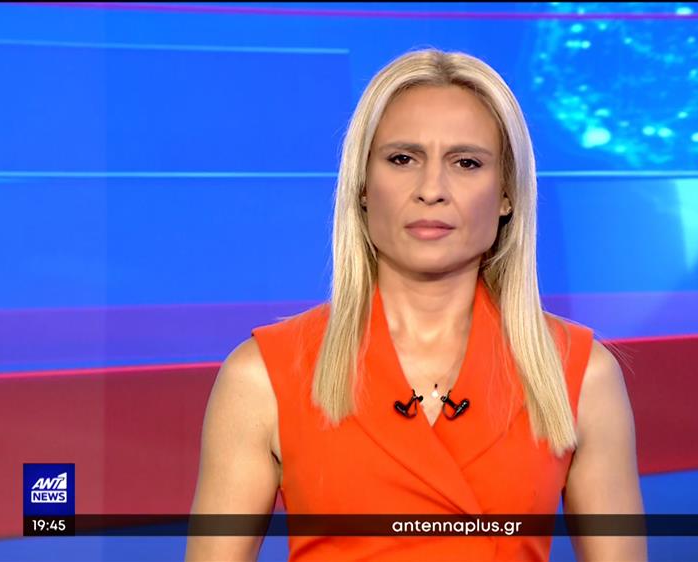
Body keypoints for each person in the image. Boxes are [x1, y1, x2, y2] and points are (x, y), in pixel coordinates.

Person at [186, 47, 645, 562]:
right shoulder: (263, 378)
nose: (431, 190)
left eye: (466, 163)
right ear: (363, 185)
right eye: (403, 159)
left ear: (507, 194)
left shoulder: (579, 375)